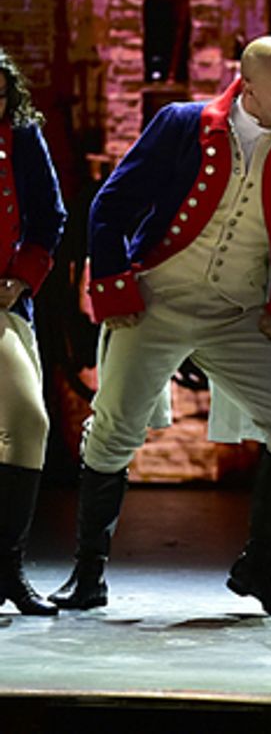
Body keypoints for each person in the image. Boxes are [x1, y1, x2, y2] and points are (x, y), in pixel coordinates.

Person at [50, 35, 271, 616]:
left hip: (240, 314)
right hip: (158, 300)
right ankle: (87, 574)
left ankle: (258, 568)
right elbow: (110, 206)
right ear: (248, 87)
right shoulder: (182, 125)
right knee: (115, 428)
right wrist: (115, 287)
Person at [0, 48, 67, 617]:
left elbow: (49, 218)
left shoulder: (20, 137)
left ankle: (8, 568)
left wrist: (20, 280)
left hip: (2, 302)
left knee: (27, 421)